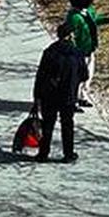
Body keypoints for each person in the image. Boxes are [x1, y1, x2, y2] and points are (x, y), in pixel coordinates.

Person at [31, 24, 89, 163]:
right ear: (70, 36)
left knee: (47, 124)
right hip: (68, 95)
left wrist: (37, 96)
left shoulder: (49, 51)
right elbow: (84, 75)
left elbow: (41, 75)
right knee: (67, 124)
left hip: (49, 94)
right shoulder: (77, 53)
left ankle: (43, 153)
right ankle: (68, 154)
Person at [62, 0, 109, 109]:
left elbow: (94, 20)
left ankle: (83, 96)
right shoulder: (74, 18)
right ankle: (73, 100)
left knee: (88, 75)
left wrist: (107, 19)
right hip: (78, 53)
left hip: (89, 49)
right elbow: (70, 35)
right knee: (76, 77)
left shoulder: (89, 11)